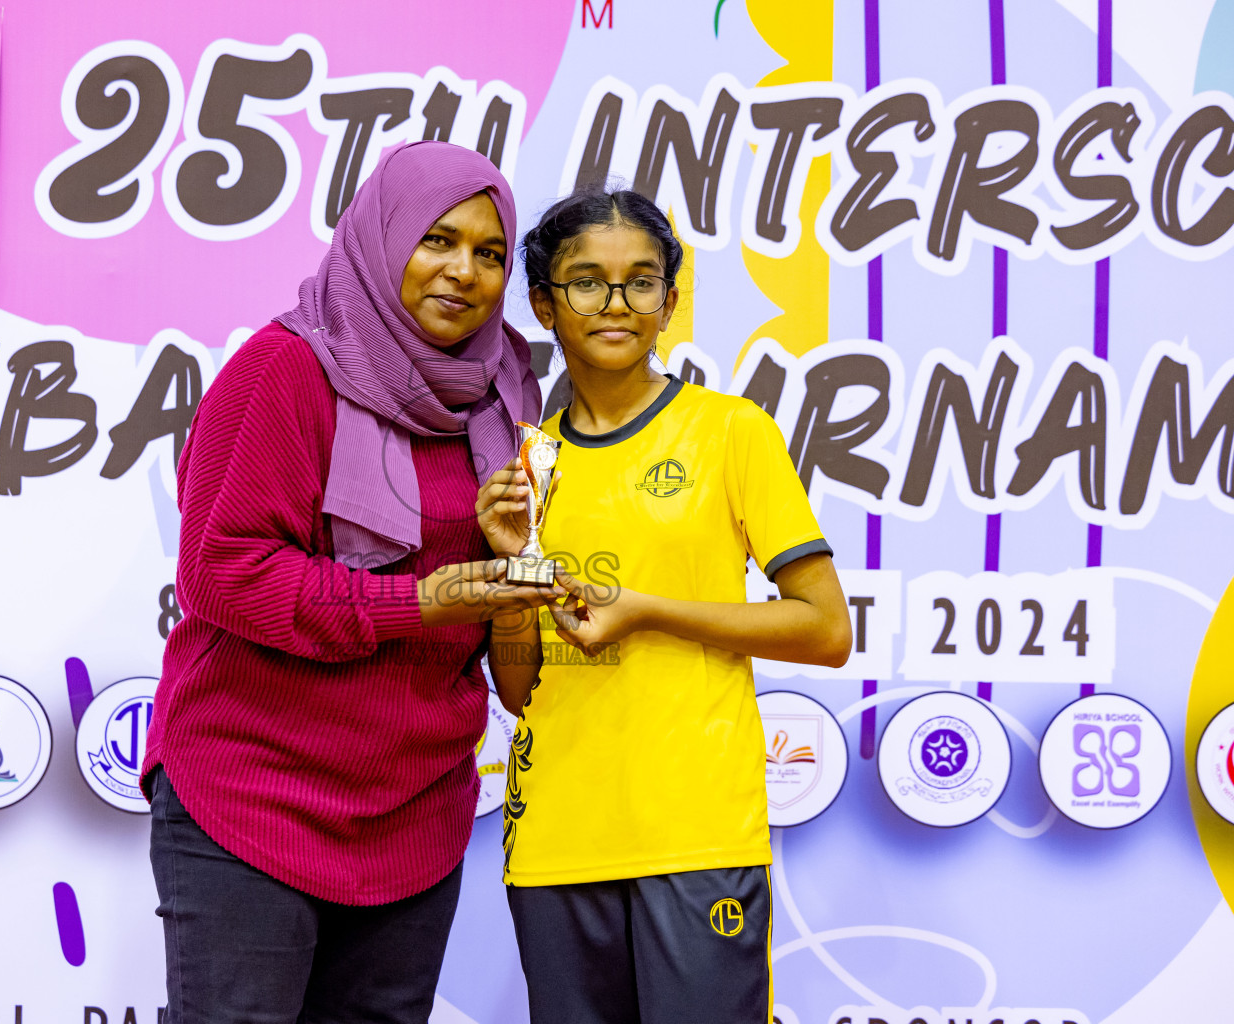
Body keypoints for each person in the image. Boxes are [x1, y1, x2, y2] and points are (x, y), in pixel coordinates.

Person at [141, 141, 556, 1024]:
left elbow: (501, 602)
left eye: (490, 254)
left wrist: (516, 571)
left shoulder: (501, 397)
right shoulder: (285, 370)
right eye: (438, 240)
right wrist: (419, 602)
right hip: (254, 798)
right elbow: (224, 572)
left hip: (414, 814)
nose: (464, 272)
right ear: (382, 237)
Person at [493, 187, 853, 1024]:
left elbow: (826, 627)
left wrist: (648, 610)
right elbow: (517, 691)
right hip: (554, 842)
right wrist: (511, 583)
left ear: (670, 302)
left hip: (696, 836)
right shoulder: (521, 461)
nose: (616, 305)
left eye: (641, 282)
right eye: (586, 282)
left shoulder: (730, 432)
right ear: (544, 303)